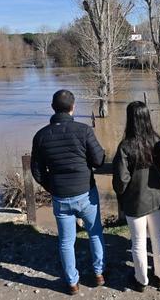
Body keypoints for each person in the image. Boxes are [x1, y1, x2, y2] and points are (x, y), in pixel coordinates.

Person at [31, 90, 106, 295]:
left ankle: (72, 282)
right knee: (95, 232)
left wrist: (52, 186)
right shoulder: (83, 131)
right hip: (86, 192)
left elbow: (37, 171)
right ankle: (99, 273)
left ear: (53, 107)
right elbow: (99, 160)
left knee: (66, 241)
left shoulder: (41, 136)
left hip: (61, 196)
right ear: (73, 107)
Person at [112, 101, 160, 292]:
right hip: (155, 198)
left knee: (138, 241)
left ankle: (141, 280)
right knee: (158, 237)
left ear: (130, 119)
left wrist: (121, 192)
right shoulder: (157, 142)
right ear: (147, 117)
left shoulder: (125, 146)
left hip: (135, 201)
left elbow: (121, 180)